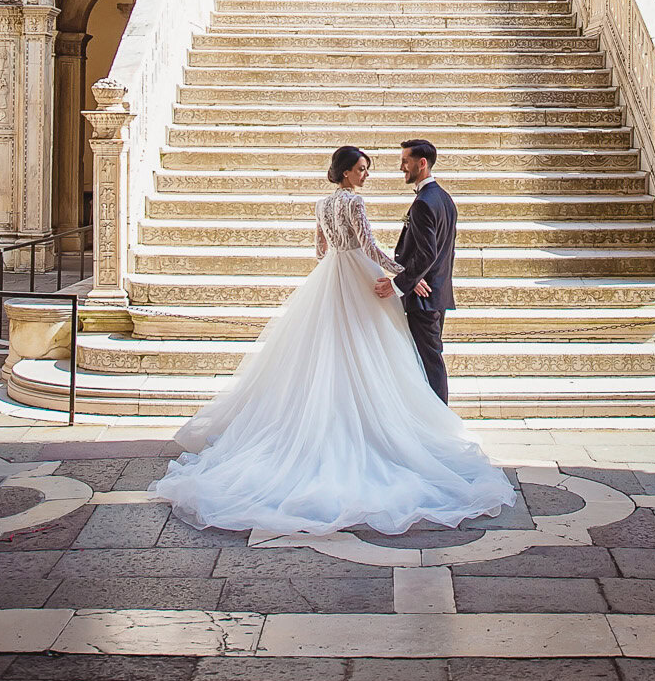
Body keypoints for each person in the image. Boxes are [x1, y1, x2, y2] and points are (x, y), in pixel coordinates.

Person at [151, 143, 514, 536]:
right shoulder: (356, 205)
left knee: (330, 351)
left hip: (331, 278)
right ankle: (408, 426)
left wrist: (349, 268)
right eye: (361, 169)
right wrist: (398, 276)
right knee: (376, 352)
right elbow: (371, 246)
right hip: (360, 276)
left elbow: (320, 249)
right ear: (345, 173)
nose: (367, 174)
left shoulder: (322, 205)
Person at [378, 138, 457, 402]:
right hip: (437, 294)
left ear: (421, 163)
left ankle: (440, 423)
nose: (402, 167)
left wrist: (400, 283)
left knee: (428, 362)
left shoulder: (424, 202)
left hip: (423, 299)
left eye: (405, 161)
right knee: (427, 360)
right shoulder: (444, 198)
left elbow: (427, 253)